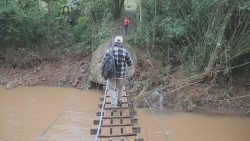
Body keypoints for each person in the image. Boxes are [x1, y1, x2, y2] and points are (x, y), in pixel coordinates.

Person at [103, 36, 133, 112]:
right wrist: (124, 62)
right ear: (121, 43)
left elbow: (104, 61)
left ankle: (114, 106)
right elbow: (130, 63)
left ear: (114, 42)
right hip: (121, 75)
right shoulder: (125, 52)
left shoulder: (109, 50)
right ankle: (119, 101)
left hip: (111, 75)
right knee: (120, 89)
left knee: (112, 90)